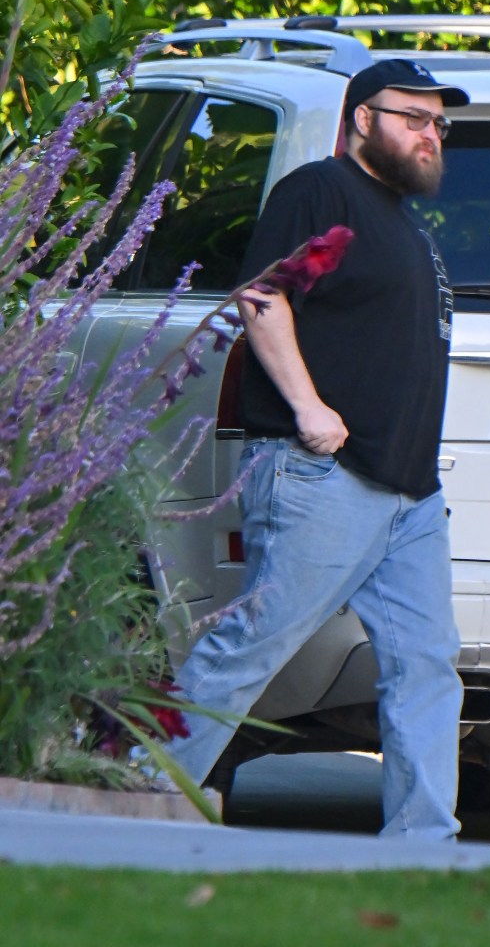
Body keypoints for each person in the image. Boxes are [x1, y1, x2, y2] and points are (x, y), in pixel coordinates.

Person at [169, 59, 470, 839]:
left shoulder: (404, 224)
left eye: (438, 123)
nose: (429, 133)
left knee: (427, 666)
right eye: (412, 117)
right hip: (326, 475)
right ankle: (137, 792)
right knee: (252, 646)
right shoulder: (319, 191)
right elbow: (264, 297)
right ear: (363, 117)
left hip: (409, 495)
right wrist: (308, 410)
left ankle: (423, 846)